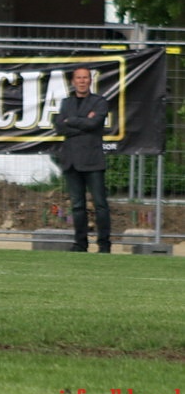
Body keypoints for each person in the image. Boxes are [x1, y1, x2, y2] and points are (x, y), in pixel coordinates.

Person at [53, 65, 112, 253]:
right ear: (73, 81)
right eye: (78, 78)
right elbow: (59, 127)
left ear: (90, 80)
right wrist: (82, 122)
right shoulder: (66, 103)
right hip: (71, 160)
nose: (82, 81)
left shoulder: (99, 102)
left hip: (93, 160)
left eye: (85, 77)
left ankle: (104, 245)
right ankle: (80, 244)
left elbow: (95, 123)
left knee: (100, 205)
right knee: (77, 206)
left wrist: (71, 120)